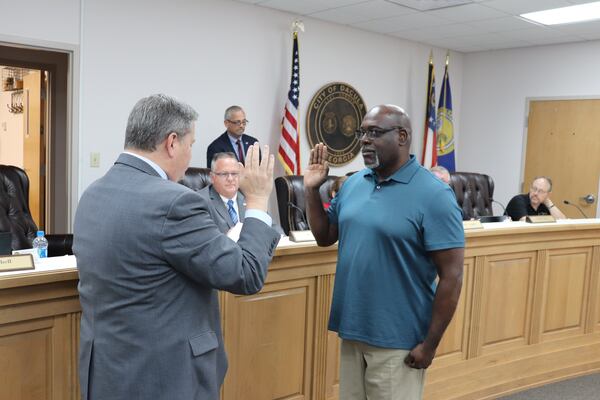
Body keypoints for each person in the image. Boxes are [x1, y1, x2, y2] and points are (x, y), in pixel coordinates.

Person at [73, 94, 281, 400]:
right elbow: (246, 274)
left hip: (105, 370)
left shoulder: (92, 194)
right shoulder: (175, 202)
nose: (189, 155)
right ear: (172, 143)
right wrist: (259, 200)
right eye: (191, 144)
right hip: (164, 376)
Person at [304, 104, 465, 400]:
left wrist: (430, 344)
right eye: (362, 133)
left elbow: (452, 277)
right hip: (353, 330)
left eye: (374, 133)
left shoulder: (434, 194)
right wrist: (313, 190)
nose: (364, 140)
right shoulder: (353, 184)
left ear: (402, 136)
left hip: (399, 340)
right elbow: (324, 237)